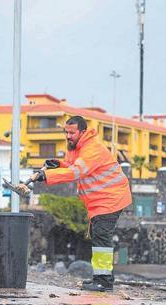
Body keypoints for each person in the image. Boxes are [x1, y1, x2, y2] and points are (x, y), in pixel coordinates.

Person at [16, 115, 132, 291]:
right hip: (101, 201)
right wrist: (59, 164)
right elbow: (70, 165)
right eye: (66, 132)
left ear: (83, 132)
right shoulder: (76, 147)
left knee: (102, 238)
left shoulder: (92, 148)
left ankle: (104, 282)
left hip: (111, 198)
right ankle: (101, 278)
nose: (68, 136)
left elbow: (77, 172)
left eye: (72, 132)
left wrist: (45, 175)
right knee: (99, 238)